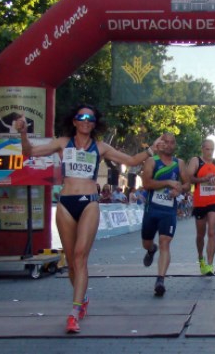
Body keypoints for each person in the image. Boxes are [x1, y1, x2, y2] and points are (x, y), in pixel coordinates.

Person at [15, 104, 160, 334]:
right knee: (72, 261)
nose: (85, 121)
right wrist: (22, 133)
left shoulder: (100, 147)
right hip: (66, 204)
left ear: (95, 123)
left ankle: (73, 314)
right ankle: (82, 300)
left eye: (90, 118)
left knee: (81, 256)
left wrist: (151, 150)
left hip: (89, 203)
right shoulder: (62, 143)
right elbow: (28, 152)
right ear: (74, 121)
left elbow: (132, 161)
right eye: (81, 117)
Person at [140, 133, 190, 296]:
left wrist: (180, 189)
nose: (169, 145)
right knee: (147, 243)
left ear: (175, 145)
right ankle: (150, 250)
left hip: (168, 211)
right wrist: (168, 182)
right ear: (161, 144)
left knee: (165, 243)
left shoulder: (179, 163)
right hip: (151, 209)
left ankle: (160, 279)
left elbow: (188, 184)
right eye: (165, 142)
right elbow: (146, 184)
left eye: (172, 142)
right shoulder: (151, 161)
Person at [187, 139, 215, 276]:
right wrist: (204, 179)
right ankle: (201, 258)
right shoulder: (195, 161)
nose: (210, 152)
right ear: (202, 149)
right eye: (207, 149)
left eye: (212, 149)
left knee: (212, 232)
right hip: (200, 201)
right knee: (201, 235)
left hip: (214, 200)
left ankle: (210, 264)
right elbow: (189, 178)